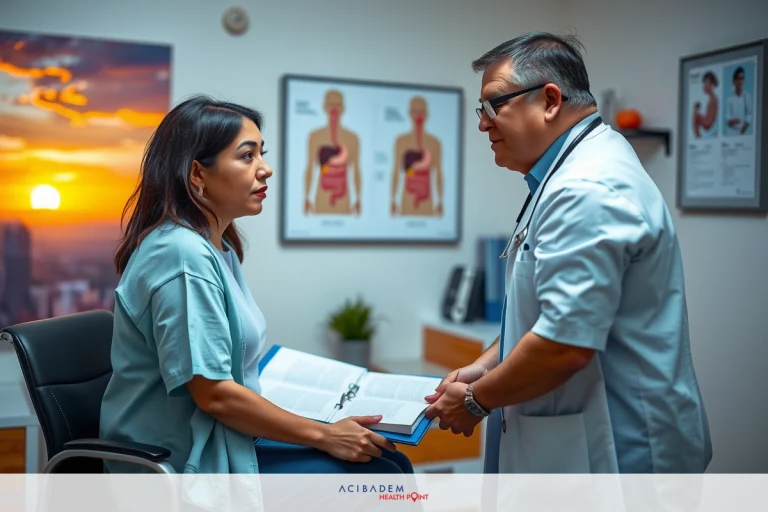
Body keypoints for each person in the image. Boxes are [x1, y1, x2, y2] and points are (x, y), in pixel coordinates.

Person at [424, 32, 712, 474]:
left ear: (550, 101)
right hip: (583, 440)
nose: (482, 124)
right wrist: (483, 366)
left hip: (623, 453)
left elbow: (563, 344)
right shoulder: (568, 175)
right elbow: (546, 312)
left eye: (493, 105)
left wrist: (475, 401)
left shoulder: (586, 187)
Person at [100, 95, 412, 475]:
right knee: (379, 474)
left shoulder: (218, 247)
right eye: (247, 156)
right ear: (197, 174)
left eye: (261, 154)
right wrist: (326, 435)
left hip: (226, 435)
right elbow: (215, 395)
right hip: (187, 460)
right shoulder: (181, 255)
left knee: (387, 459)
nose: (265, 170)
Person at [303, 90, 362, 215]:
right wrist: (306, 197)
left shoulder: (352, 138)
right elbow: (310, 167)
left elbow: (356, 169)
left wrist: (358, 199)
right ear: (325, 107)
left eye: (338, 105)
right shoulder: (315, 136)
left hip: (344, 198)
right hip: (322, 195)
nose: (334, 109)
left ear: (343, 108)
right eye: (331, 104)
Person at [390, 96, 444, 216]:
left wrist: (440, 201)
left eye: (422, 112)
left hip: (427, 200)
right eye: (415, 111)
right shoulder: (401, 141)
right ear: (410, 114)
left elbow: (438, 172)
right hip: (408, 198)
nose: (418, 116)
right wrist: (392, 200)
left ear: (427, 114)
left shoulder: (434, 143)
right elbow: (397, 171)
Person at [725, 66, 752, 136]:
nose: (740, 81)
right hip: (731, 132)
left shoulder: (747, 96)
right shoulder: (729, 99)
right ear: (734, 82)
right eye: (738, 79)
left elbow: (749, 115)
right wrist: (735, 121)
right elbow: (728, 119)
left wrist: (743, 129)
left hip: (743, 132)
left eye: (742, 78)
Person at [692, 71, 719, 138]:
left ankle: (698, 138)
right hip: (707, 126)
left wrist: (698, 115)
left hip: (708, 127)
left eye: (706, 83)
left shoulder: (713, 100)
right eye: (704, 84)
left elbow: (708, 123)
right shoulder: (711, 99)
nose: (704, 86)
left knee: (695, 114)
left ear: (712, 84)